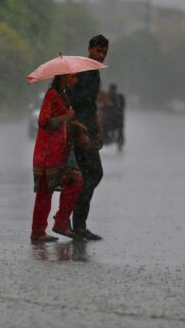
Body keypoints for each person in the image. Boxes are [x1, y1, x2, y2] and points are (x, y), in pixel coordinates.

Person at [30, 73, 84, 243]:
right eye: (73, 77)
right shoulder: (52, 94)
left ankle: (55, 223)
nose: (75, 80)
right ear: (63, 77)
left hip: (59, 152)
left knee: (73, 182)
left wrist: (73, 124)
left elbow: (61, 122)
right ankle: (39, 231)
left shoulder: (62, 95)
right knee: (46, 192)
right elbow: (43, 121)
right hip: (47, 153)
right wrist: (65, 117)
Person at [70, 35, 109, 240]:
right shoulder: (81, 71)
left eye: (104, 52)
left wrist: (99, 130)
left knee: (87, 176)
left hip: (90, 129)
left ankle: (79, 225)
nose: (101, 55)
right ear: (89, 49)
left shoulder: (95, 72)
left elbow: (92, 104)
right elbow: (72, 102)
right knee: (95, 173)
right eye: (98, 51)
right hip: (79, 130)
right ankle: (74, 220)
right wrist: (79, 131)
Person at [107, 83, 125, 151]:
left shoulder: (118, 97)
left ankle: (119, 143)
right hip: (113, 118)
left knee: (119, 131)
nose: (111, 90)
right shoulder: (108, 96)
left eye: (112, 89)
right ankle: (117, 141)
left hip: (116, 118)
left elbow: (121, 107)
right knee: (117, 130)